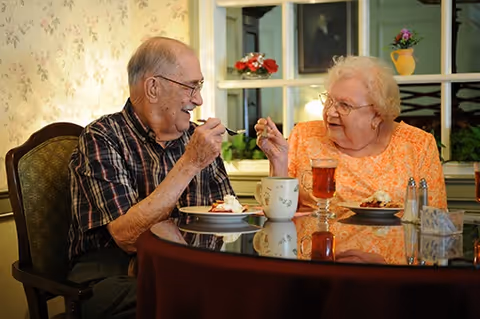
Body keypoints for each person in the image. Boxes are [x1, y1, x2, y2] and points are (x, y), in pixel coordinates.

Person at [67, 36, 234, 319]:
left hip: (192, 270)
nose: (199, 99)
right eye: (191, 86)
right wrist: (190, 163)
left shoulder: (197, 139)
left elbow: (230, 216)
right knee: (198, 301)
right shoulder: (102, 137)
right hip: (115, 275)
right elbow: (126, 236)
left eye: (200, 86)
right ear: (153, 87)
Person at [255, 55, 447, 214]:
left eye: (344, 105)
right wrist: (278, 161)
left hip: (391, 257)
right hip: (318, 254)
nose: (330, 112)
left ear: (378, 114)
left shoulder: (417, 145)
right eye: (329, 101)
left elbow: (436, 222)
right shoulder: (305, 136)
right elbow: (278, 214)